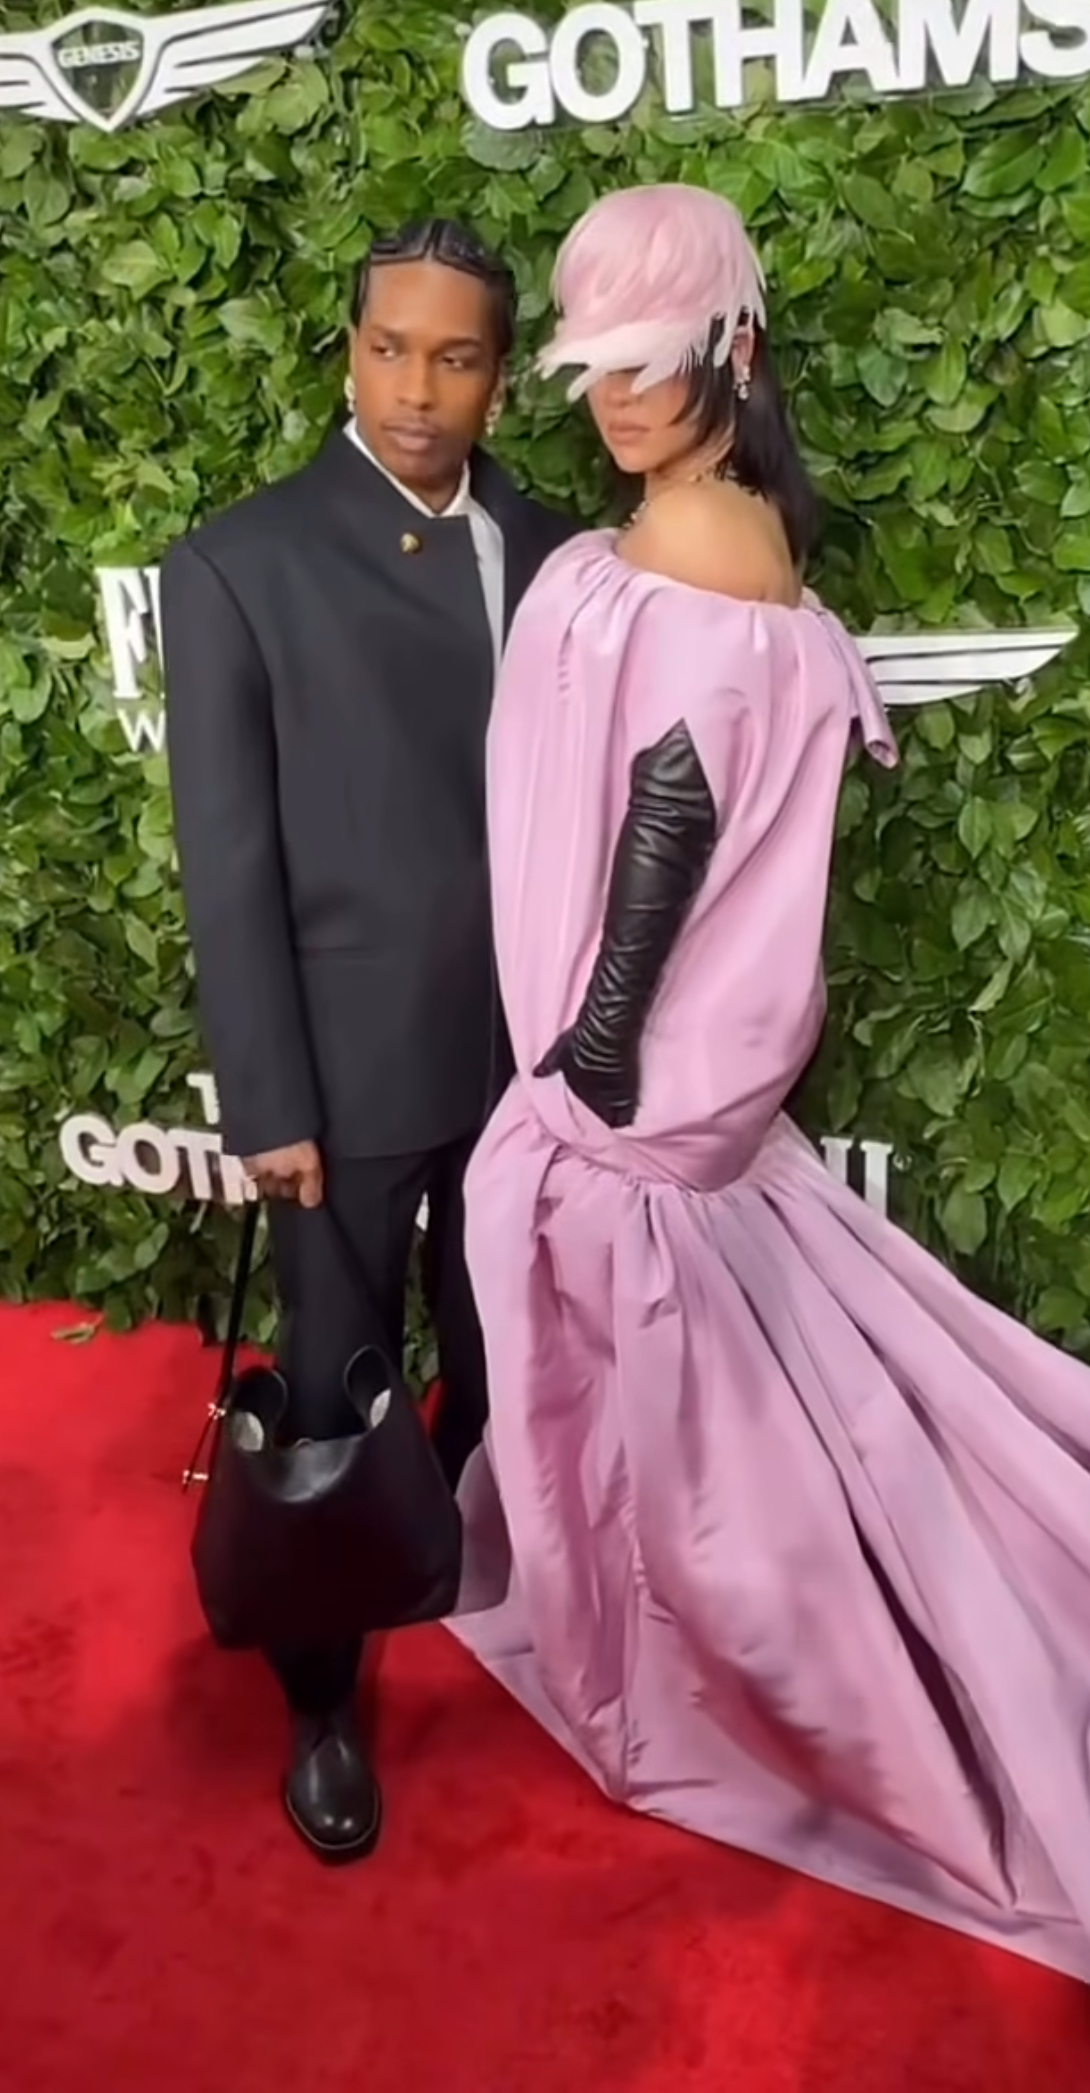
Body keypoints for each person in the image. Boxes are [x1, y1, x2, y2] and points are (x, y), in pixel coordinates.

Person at [450, 182, 1090, 2052]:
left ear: (731, 350)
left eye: (648, 361)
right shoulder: (750, 529)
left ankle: (693, 1694)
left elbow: (674, 802)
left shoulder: (683, 552)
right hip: (678, 1095)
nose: (612, 398)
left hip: (631, 1096)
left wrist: (595, 1041)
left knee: (671, 1449)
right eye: (593, 365)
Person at [161, 217, 575, 1865]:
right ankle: (325, 1701)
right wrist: (267, 1100)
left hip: (533, 1073)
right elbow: (228, 860)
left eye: (455, 356)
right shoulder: (239, 565)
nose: (418, 389)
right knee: (334, 1403)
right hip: (338, 1082)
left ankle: (502, 1597)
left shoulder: (550, 547)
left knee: (515, 1369)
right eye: (390, 348)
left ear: (497, 373)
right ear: (348, 351)